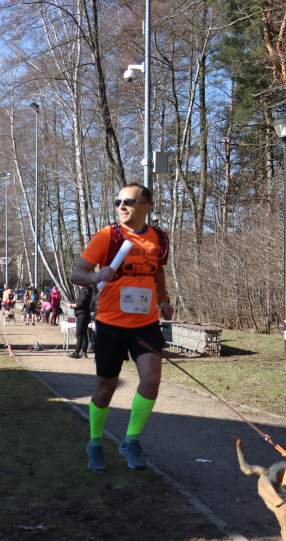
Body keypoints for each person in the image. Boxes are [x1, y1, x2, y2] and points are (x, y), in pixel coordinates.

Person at [69, 183, 172, 472]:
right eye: (118, 201)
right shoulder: (108, 235)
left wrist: (163, 300)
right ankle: (95, 442)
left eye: (128, 201)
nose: (121, 206)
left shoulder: (159, 239)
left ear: (146, 206)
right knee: (106, 388)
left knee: (151, 380)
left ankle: (131, 440)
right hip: (110, 324)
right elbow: (77, 272)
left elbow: (159, 271)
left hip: (145, 324)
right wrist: (96, 275)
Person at [67, 284, 95, 359]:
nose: (78, 285)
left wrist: (71, 305)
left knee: (79, 333)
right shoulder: (87, 291)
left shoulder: (84, 292)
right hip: (84, 314)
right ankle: (83, 352)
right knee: (84, 333)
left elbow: (80, 304)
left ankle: (77, 351)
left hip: (82, 315)